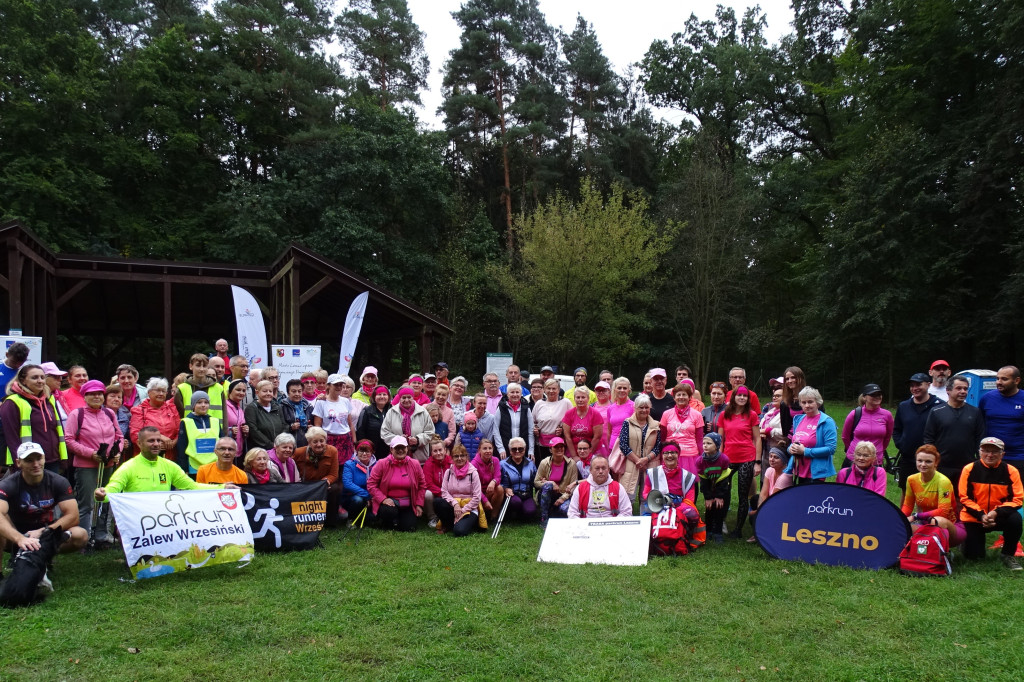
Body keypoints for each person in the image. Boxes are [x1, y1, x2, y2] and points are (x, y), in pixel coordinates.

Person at [0, 443, 87, 586]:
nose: (35, 464)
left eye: (38, 458)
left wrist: (44, 531)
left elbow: (73, 516)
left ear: (44, 459)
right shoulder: (8, 484)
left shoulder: (58, 481)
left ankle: (44, 557)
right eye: (29, 460)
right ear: (18, 463)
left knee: (80, 534)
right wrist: (20, 538)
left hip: (45, 533)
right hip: (15, 535)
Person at [66, 380, 124, 544]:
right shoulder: (77, 415)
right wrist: (90, 454)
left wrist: (117, 452)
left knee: (106, 499)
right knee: (87, 503)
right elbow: (69, 440)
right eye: (92, 394)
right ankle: (84, 538)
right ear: (85, 396)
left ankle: (102, 535)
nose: (96, 397)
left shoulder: (109, 414)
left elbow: (119, 436)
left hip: (108, 464)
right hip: (86, 466)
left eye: (99, 393)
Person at [958, 437, 1023, 570]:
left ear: (1002, 454)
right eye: (986, 450)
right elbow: (964, 498)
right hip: (974, 517)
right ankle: (966, 543)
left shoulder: (1011, 471)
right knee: (974, 557)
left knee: (1016, 520)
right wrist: (981, 515)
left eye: (995, 451)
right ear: (979, 452)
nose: (990, 455)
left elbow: (1018, 499)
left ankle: (1007, 554)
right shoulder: (969, 469)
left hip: (1000, 516)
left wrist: (996, 512)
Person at [923, 375, 985, 491]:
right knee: (942, 500)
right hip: (943, 466)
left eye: (965, 389)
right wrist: (933, 461)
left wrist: (978, 461)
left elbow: (979, 438)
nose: (963, 391)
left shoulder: (975, 412)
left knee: (963, 499)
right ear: (948, 390)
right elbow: (929, 438)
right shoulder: (936, 412)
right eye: (959, 388)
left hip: (967, 465)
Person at [1, 364, 67, 471]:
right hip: (28, 464)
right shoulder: (11, 402)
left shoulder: (50, 399)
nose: (40, 381)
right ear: (23, 380)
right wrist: (19, 463)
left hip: (52, 460)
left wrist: (63, 458)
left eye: (42, 377)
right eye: (34, 377)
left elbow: (59, 430)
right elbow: (11, 438)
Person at [901, 444, 965, 547]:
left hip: (951, 525)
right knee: (900, 526)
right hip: (925, 523)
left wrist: (916, 516)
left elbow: (943, 512)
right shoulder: (911, 479)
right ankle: (919, 552)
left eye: (928, 461)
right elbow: (908, 506)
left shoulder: (943, 481)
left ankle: (937, 552)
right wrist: (900, 519)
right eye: (920, 461)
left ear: (936, 463)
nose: (923, 464)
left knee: (936, 521)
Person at [718, 385, 761, 538]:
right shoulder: (724, 415)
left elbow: (757, 439)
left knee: (743, 494)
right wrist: (719, 459)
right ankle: (719, 522)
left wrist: (757, 462)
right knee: (723, 491)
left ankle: (738, 530)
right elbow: (720, 439)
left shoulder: (752, 415)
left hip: (747, 458)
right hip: (728, 458)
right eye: (739, 395)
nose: (742, 398)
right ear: (733, 397)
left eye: (745, 396)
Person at [893, 373, 944, 490]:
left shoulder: (939, 406)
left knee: (931, 492)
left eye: (918, 385)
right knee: (906, 490)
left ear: (928, 385)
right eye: (912, 385)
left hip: (930, 459)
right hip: (908, 457)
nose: (914, 388)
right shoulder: (904, 406)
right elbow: (897, 429)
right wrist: (901, 444)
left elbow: (944, 431)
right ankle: (903, 510)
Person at [366, 436, 426, 532]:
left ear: (407, 448)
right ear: (391, 449)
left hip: (408, 504)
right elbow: (371, 484)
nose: (400, 450)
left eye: (403, 447)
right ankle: (387, 521)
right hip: (389, 503)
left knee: (409, 528)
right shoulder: (382, 463)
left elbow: (422, 485)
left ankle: (399, 520)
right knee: (388, 512)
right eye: (397, 448)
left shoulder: (415, 464)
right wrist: (383, 499)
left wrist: (419, 504)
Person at [782, 387, 838, 485]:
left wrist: (805, 451)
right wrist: (790, 448)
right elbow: (795, 440)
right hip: (798, 469)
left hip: (816, 472)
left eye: (810, 402)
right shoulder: (798, 419)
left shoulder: (827, 421)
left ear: (818, 402)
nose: (807, 405)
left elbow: (831, 449)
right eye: (803, 402)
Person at [978, 366, 1024, 474]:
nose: (999, 382)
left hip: (1018, 456)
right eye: (997, 379)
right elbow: (980, 424)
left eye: (1004, 379)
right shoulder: (987, 398)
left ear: (1016, 380)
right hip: (991, 456)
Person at [618, 394, 662, 503]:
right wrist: (638, 461)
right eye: (641, 407)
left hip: (650, 464)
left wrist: (646, 459)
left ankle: (647, 519)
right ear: (635, 408)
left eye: (646, 407)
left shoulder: (656, 425)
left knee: (647, 497)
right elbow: (623, 444)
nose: (644, 410)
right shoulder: (627, 423)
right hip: (631, 464)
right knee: (628, 496)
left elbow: (658, 446)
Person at [293, 427, 341, 525]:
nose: (319, 444)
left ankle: (331, 521)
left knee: (336, 488)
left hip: (324, 483)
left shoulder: (332, 451)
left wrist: (324, 482)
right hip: (306, 484)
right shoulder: (299, 452)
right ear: (309, 442)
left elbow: (334, 474)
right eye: (315, 442)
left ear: (325, 440)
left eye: (321, 441)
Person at [840, 383, 893, 469]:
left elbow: (887, 438)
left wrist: (879, 451)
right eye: (873, 394)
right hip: (855, 459)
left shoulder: (887, 415)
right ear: (864, 397)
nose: (877, 397)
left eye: (879, 394)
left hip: (875, 460)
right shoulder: (855, 414)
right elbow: (845, 437)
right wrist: (854, 451)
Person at [435, 444, 482, 536]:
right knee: (437, 502)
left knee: (459, 532)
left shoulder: (473, 473)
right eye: (456, 456)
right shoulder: (448, 472)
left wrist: (463, 510)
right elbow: (444, 492)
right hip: (453, 506)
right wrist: (455, 504)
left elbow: (477, 497)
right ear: (452, 458)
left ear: (466, 457)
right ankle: (448, 525)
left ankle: (468, 523)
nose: (459, 458)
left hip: (469, 508)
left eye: (462, 456)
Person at [175, 390, 224, 476]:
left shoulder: (215, 421)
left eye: (206, 402)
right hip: (194, 467)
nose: (203, 405)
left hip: (214, 465)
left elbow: (222, 444)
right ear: (193, 405)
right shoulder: (186, 422)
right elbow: (181, 447)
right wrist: (184, 468)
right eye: (199, 402)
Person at [659, 383, 704, 476]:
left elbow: (699, 439)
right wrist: (661, 455)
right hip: (670, 454)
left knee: (690, 486)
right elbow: (662, 438)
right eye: (678, 395)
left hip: (690, 455)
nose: (681, 397)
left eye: (684, 394)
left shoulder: (697, 415)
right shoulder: (666, 414)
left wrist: (702, 457)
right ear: (674, 398)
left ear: (689, 397)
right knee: (671, 485)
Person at [381, 387, 435, 463]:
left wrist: (418, 440)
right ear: (399, 398)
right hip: (397, 457)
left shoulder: (423, 412)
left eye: (409, 397)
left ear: (413, 398)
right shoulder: (391, 412)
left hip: (419, 457)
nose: (406, 400)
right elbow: (384, 433)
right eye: (403, 397)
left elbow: (430, 432)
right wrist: (398, 439)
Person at [567, 456, 632, 518]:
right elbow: (572, 513)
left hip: (611, 526)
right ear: (590, 470)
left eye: (603, 468)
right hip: (586, 526)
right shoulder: (580, 488)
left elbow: (626, 512)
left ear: (608, 470)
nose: (601, 471)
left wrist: (613, 524)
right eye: (597, 468)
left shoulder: (618, 487)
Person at [129, 377, 180, 456]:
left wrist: (172, 443)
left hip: (170, 455)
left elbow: (179, 430)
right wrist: (159, 438)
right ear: (149, 392)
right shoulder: (139, 410)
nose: (161, 393)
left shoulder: (172, 408)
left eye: (163, 391)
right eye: (157, 390)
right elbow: (135, 435)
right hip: (147, 455)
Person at [534, 437, 579, 527]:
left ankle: (553, 512)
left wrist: (563, 498)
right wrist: (551, 483)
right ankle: (544, 518)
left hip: (563, 494)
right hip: (547, 494)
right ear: (550, 450)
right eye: (556, 447)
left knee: (564, 510)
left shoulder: (571, 464)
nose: (559, 449)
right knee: (548, 486)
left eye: (561, 446)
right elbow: (536, 482)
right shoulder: (544, 462)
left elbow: (573, 485)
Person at [641, 443, 698, 511]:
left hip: (680, 508)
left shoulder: (688, 476)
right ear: (662, 455)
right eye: (666, 453)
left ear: (678, 455)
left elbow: (690, 500)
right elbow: (645, 493)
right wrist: (661, 502)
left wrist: (676, 509)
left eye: (673, 452)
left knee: (692, 514)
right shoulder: (652, 473)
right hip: (657, 505)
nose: (670, 455)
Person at [698, 433, 733, 542]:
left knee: (719, 509)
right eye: (703, 443)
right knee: (709, 509)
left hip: (721, 488)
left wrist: (719, 496)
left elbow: (724, 479)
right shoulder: (699, 461)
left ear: (717, 446)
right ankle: (708, 531)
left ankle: (718, 532)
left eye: (709, 443)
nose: (705, 446)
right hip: (708, 487)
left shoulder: (724, 459)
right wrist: (708, 497)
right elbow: (703, 481)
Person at [532, 379, 571, 463]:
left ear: (559, 389)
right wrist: (535, 429)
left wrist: (562, 430)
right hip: (541, 444)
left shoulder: (565, 402)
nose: (551, 391)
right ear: (544, 389)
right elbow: (533, 421)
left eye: (554, 388)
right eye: (548, 388)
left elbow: (572, 421)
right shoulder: (539, 403)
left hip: (559, 444)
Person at [173, 353, 222, 420]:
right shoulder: (182, 388)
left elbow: (224, 414)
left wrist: (224, 430)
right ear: (190, 366)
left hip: (215, 429)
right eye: (198, 366)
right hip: (190, 429)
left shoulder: (219, 388)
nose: (201, 369)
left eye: (204, 366)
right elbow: (178, 416)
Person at [244, 380, 289, 453]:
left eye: (270, 391)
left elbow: (284, 425)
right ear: (257, 392)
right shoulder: (252, 408)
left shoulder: (277, 407)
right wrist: (271, 445)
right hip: (259, 450)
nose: (268, 393)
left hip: (278, 448)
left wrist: (280, 442)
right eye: (265, 391)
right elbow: (254, 430)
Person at [562, 386, 604, 462]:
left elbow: (597, 437)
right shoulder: (569, 414)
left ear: (588, 398)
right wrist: (574, 456)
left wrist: (588, 455)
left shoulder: (595, 414)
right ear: (574, 399)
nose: (580, 400)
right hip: (573, 451)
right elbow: (567, 437)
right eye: (578, 397)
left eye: (583, 397)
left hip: (592, 451)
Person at [500, 437, 537, 522]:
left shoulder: (530, 463)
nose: (517, 451)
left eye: (520, 449)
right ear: (510, 450)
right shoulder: (502, 464)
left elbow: (535, 479)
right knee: (516, 503)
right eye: (514, 449)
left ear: (524, 450)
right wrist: (505, 489)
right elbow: (498, 481)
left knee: (530, 511)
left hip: (526, 494)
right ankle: (512, 512)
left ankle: (519, 513)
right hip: (511, 495)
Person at [493, 383, 534, 460]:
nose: (515, 394)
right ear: (507, 394)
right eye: (512, 392)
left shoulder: (526, 408)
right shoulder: (501, 408)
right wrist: (500, 448)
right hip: (505, 448)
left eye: (517, 392)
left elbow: (531, 430)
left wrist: (531, 450)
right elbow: (495, 430)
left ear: (521, 394)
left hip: (522, 448)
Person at [340, 440, 376, 520]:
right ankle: (351, 518)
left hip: (372, 497)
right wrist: (367, 496)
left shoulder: (377, 465)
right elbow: (348, 484)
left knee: (372, 519)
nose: (364, 454)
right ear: (356, 451)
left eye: (367, 451)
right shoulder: (349, 464)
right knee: (358, 500)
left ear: (372, 452)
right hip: (353, 496)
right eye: (361, 451)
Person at [471, 439, 503, 524]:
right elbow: (474, 487)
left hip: (490, 490)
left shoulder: (495, 460)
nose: (488, 451)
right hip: (478, 493)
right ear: (479, 450)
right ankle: (483, 514)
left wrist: (493, 481)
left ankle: (493, 517)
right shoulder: (474, 464)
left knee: (499, 488)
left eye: (490, 448)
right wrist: (485, 500)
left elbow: (498, 477)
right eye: (485, 448)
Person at [423, 436, 451, 529]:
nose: (438, 453)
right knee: (427, 494)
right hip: (436, 492)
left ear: (445, 450)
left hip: (449, 491)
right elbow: (428, 484)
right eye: (435, 451)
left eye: (440, 450)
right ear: (431, 452)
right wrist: (442, 493)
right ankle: (432, 517)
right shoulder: (428, 464)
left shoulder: (451, 462)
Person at [356, 386, 391, 460]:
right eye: (379, 394)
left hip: (389, 449)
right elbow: (360, 430)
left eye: (384, 394)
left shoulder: (392, 410)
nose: (382, 397)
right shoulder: (367, 411)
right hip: (371, 449)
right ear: (374, 396)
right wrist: (365, 447)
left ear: (388, 397)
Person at [114, 364, 147, 439]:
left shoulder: (145, 393)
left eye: (129, 377)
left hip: (139, 431)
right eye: (122, 378)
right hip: (117, 431)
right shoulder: (111, 392)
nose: (126, 381)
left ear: (135, 378)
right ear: (118, 380)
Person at [604, 378, 634, 459]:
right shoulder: (610, 408)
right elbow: (609, 431)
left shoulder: (634, 406)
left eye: (625, 388)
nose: (622, 390)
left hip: (628, 448)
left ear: (629, 390)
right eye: (619, 388)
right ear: (614, 389)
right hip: (613, 447)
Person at [779, 366, 807, 447]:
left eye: (793, 377)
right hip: (792, 441)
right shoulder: (785, 403)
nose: (790, 381)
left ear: (800, 378)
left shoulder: (811, 398)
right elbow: (785, 427)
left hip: (810, 439)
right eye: (787, 379)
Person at [281, 379, 313, 448]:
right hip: (289, 445)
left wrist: (311, 427)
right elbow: (279, 427)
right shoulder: (282, 406)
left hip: (307, 444)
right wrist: (290, 427)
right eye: (294, 391)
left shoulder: (308, 406)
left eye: (299, 391)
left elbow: (314, 423)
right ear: (288, 392)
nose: (297, 394)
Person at [225, 379, 249, 456]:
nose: (241, 393)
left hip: (239, 451)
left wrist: (246, 430)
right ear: (230, 391)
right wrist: (229, 430)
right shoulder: (224, 407)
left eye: (243, 390)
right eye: (238, 390)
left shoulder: (240, 410)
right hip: (227, 451)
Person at [431, 383, 456, 450]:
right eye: (438, 394)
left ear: (447, 396)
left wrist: (446, 441)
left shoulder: (450, 412)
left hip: (443, 446)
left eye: (444, 395)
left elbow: (452, 431)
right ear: (434, 394)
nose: (441, 397)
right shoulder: (426, 407)